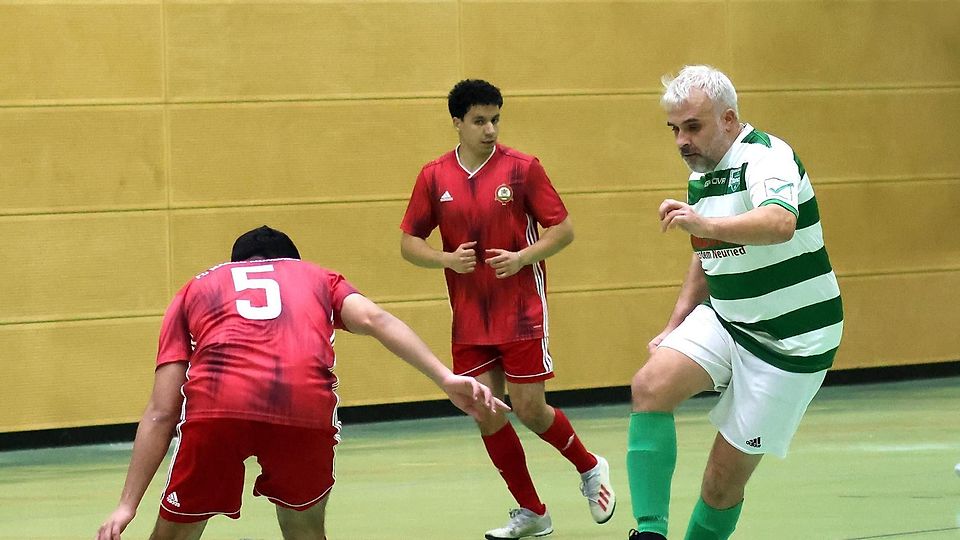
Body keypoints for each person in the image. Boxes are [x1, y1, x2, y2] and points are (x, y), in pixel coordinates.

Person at [96, 225, 508, 540]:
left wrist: (126, 505)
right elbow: (375, 320)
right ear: (292, 261)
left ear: (237, 264)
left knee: (174, 534)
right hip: (302, 407)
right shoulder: (318, 277)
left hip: (219, 408)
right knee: (305, 527)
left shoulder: (195, 288)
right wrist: (445, 377)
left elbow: (162, 410)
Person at [625, 65, 843, 540]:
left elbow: (778, 222)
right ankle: (648, 532)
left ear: (728, 118)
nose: (682, 140)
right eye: (675, 129)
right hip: (729, 318)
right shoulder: (703, 170)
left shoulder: (767, 158)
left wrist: (702, 225)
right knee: (650, 387)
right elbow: (708, 255)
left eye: (693, 127)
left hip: (791, 343)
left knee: (720, 485)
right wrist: (676, 321)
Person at [400, 79, 615, 540]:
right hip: (470, 318)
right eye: (480, 121)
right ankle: (533, 511)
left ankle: (591, 465)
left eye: (496, 119)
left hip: (521, 311)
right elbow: (408, 243)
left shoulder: (523, 169)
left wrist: (522, 257)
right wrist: (444, 259)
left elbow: (564, 230)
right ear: (457, 122)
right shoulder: (434, 176)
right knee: (486, 411)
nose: (490, 129)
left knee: (530, 408)